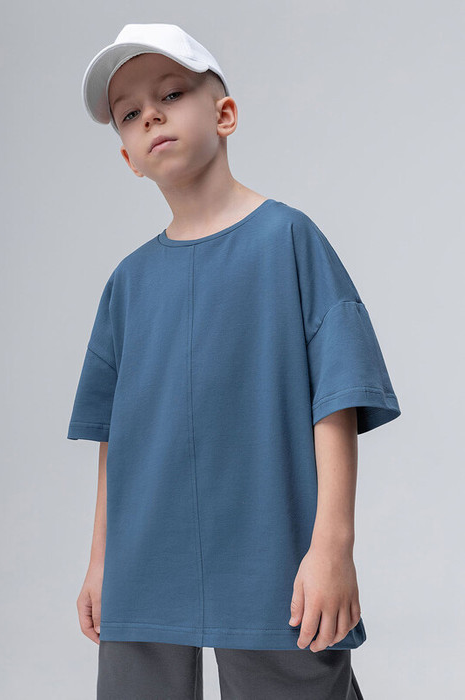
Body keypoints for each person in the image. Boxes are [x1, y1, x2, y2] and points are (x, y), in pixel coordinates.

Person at [67, 22, 401, 700]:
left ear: (223, 115)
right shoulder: (127, 284)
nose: (150, 115)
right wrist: (101, 561)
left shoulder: (289, 241)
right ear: (129, 157)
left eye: (170, 93)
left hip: (271, 549)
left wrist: (332, 547)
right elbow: (113, 438)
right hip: (144, 560)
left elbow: (336, 400)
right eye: (130, 113)